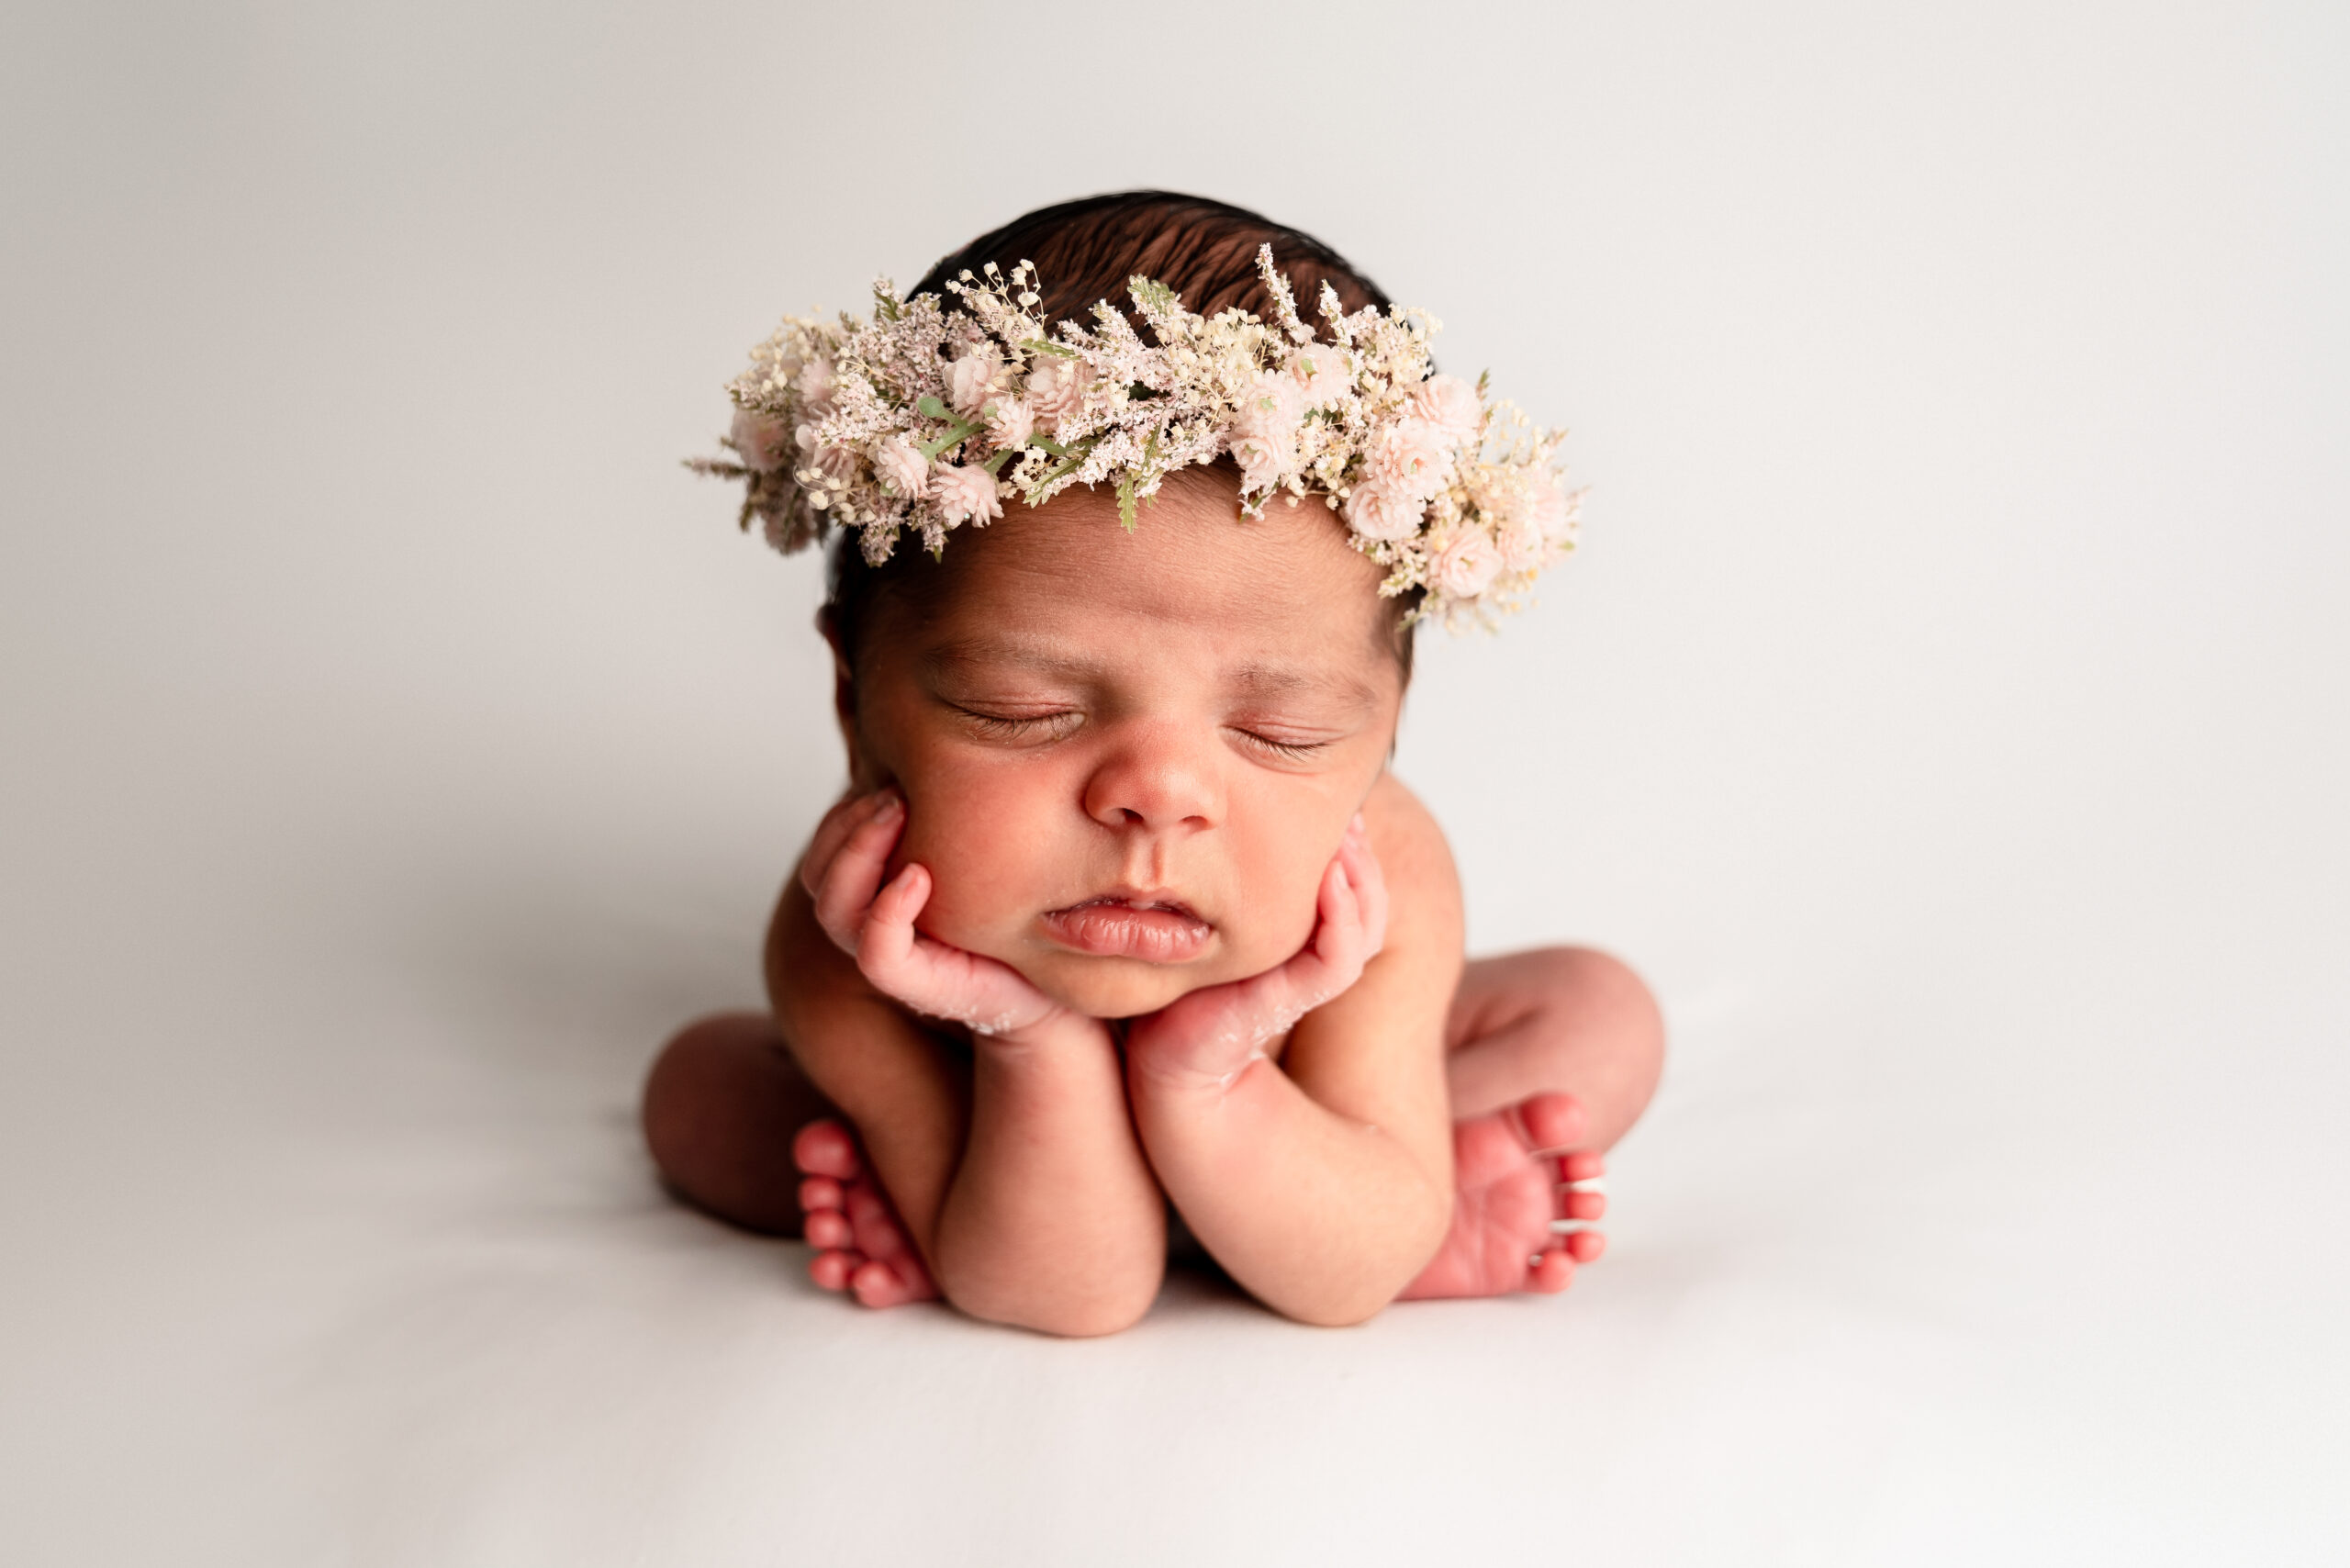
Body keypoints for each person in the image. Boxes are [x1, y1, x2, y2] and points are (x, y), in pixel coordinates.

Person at [643, 193, 1663, 1337]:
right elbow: (1070, 1299)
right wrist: (1025, 1037)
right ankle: (990, 1192)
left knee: (1598, 1013)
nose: (1158, 797)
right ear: (853, 700)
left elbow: (1347, 1284)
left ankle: (1302, 1187)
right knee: (701, 1093)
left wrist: (1211, 1070)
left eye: (1282, 734)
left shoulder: (1376, 876)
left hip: (1295, 1081)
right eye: (1020, 709)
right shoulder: (860, 934)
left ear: (1382, 734)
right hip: (984, 1123)